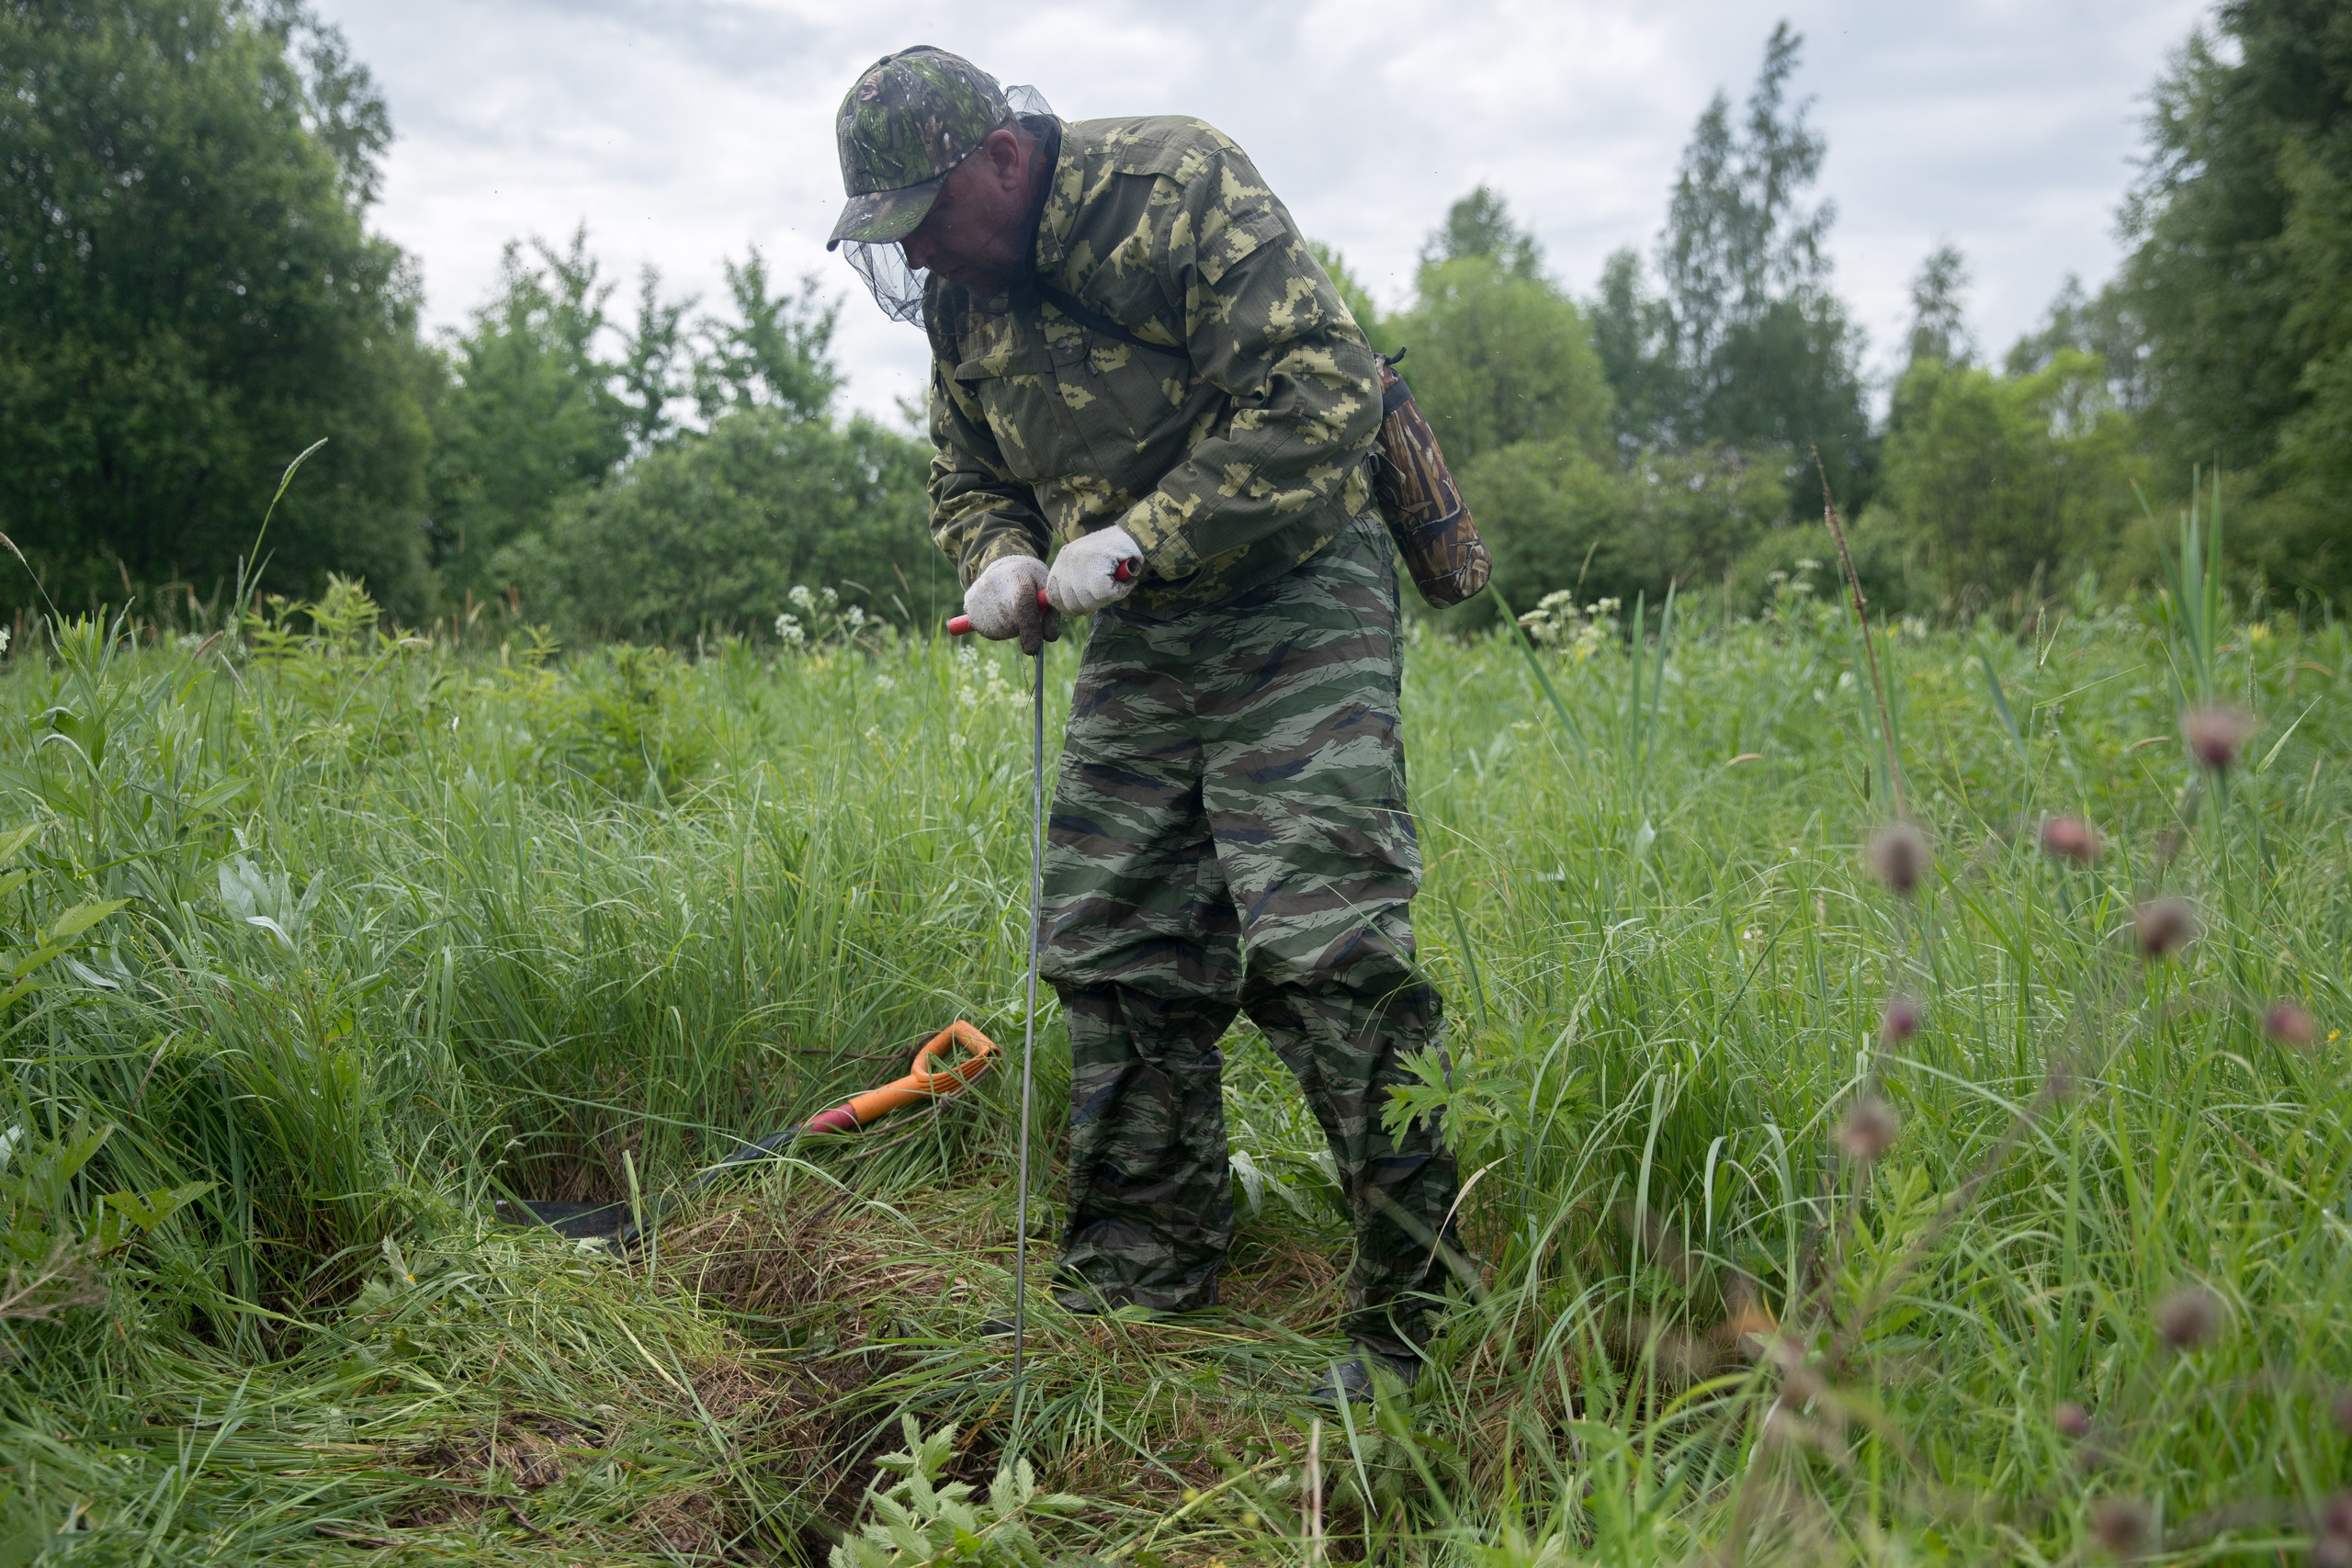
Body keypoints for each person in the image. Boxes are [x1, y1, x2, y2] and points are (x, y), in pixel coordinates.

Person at [826, 46, 1458, 1400]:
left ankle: (1420, 1313)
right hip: (1143, 621)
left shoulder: (1176, 181)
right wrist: (995, 555)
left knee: (1323, 945)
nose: (925, 254)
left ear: (1001, 157)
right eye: (900, 238)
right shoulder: (963, 296)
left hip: (1293, 582)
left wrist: (1149, 535)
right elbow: (967, 468)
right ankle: (1145, 1267)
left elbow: (1324, 395)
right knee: (1113, 937)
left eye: (931, 216)